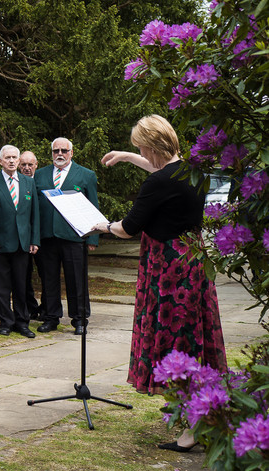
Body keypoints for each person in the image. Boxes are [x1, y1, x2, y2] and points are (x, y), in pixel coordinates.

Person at [93, 114, 227, 452]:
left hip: (168, 272)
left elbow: (129, 227)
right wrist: (127, 157)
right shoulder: (192, 172)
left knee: (176, 343)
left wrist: (103, 225)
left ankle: (192, 427)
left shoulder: (158, 183)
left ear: (153, 146)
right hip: (193, 263)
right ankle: (201, 417)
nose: (140, 153)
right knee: (193, 338)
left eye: (141, 148)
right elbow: (164, 171)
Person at [34, 139, 99, 334]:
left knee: (76, 280)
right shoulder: (40, 174)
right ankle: (51, 317)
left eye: (64, 150)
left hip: (74, 237)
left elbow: (93, 206)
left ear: (71, 152)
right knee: (49, 280)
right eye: (56, 151)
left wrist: (93, 238)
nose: (60, 154)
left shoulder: (86, 175)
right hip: (47, 237)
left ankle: (79, 320)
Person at [0, 145, 40, 338]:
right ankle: (6, 322)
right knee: (1, 287)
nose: (12, 161)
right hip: (0, 244)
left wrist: (34, 240)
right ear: (0, 161)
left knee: (21, 286)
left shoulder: (28, 182)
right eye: (7, 158)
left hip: (23, 243)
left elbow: (34, 214)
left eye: (15, 157)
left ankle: (22, 323)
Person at [18, 150, 43, 322]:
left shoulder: (42, 182)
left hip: (42, 236)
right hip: (22, 238)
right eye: (23, 165)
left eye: (30, 165)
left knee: (46, 274)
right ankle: (29, 307)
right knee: (24, 275)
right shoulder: (16, 182)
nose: (27, 168)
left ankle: (46, 308)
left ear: (36, 165)